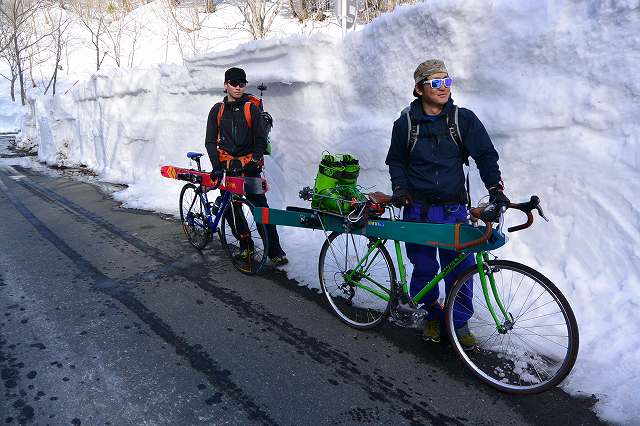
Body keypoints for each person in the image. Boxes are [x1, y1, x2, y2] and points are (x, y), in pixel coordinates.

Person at [385, 59, 510, 347]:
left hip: (453, 211)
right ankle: (431, 316)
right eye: (436, 82)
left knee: (460, 268)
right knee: (425, 268)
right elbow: (396, 160)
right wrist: (400, 187)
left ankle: (459, 324)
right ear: (419, 89)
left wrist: (495, 187)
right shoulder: (405, 124)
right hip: (417, 211)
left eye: (447, 81)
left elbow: (485, 156)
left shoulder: (462, 120)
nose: (444, 88)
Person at [204, 67, 288, 266]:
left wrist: (254, 160)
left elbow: (260, 138)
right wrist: (216, 166)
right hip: (227, 169)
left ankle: (275, 251)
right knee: (232, 210)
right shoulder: (217, 110)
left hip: (250, 167)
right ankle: (246, 247)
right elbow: (210, 141)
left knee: (260, 208)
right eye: (234, 83)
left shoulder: (251, 109)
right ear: (226, 85)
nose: (238, 87)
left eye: (242, 84)